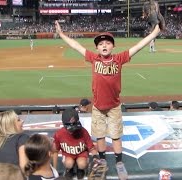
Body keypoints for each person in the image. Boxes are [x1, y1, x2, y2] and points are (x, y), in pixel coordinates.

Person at [55, 20, 160, 180]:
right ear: (97, 48)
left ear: (113, 46)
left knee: (116, 136)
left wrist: (153, 33)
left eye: (107, 43)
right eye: (101, 44)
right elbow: (76, 46)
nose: (104, 45)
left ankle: (119, 163)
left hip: (114, 106)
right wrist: (62, 34)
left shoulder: (119, 58)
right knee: (100, 136)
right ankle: (102, 161)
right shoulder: (94, 58)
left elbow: (137, 47)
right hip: (97, 106)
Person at [52, 108, 98, 179]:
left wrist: (95, 158)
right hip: (68, 155)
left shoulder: (83, 131)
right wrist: (54, 170)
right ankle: (70, 170)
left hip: (82, 154)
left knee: (82, 164)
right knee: (69, 163)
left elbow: (91, 147)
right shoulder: (59, 134)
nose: (73, 131)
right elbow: (55, 151)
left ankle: (80, 170)